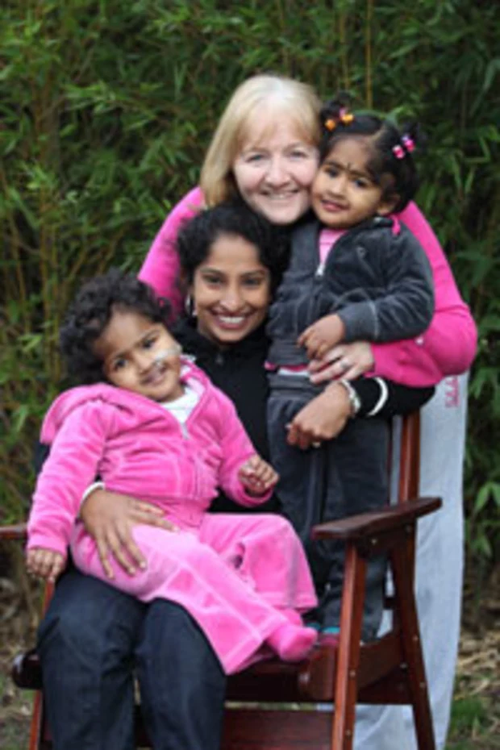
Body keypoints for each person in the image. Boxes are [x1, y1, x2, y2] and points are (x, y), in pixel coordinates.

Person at [37, 74, 476, 750]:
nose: (279, 176)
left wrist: (357, 376)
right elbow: (97, 375)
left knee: (178, 637)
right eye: (255, 157)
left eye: (297, 153)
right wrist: (90, 494)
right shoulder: (180, 305)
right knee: (82, 633)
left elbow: (451, 339)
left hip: (239, 552)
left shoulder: (363, 219)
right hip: (133, 541)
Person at [27, 268, 319, 673]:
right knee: (191, 557)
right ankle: (264, 630)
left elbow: (235, 462)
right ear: (107, 378)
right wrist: (47, 537)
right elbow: (61, 476)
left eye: (150, 343)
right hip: (123, 537)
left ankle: (280, 615)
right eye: (122, 362)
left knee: (272, 531)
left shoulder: (208, 399)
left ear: (170, 333)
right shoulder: (99, 411)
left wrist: (250, 480)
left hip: (190, 525)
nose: (146, 364)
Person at [265, 95, 434, 639]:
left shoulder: (390, 244)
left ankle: (349, 623)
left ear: (387, 201)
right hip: (285, 397)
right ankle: (296, 616)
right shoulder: (294, 237)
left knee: (353, 510)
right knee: (291, 512)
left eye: (358, 182)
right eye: (332, 172)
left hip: (353, 406)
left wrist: (353, 321)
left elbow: (416, 304)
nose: (336, 189)